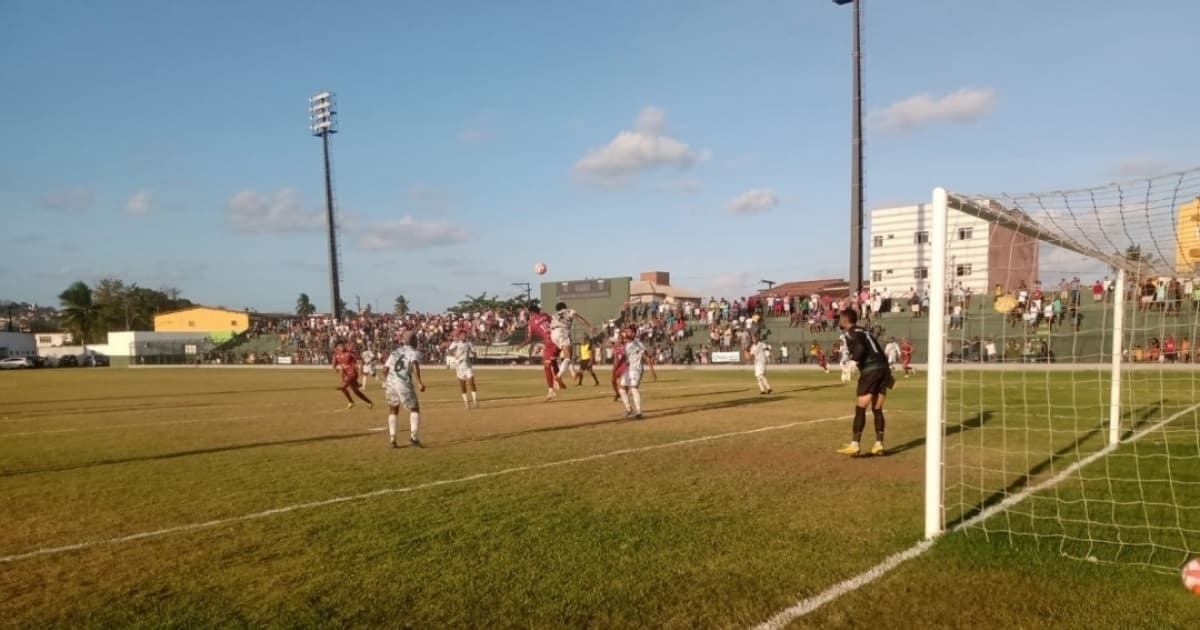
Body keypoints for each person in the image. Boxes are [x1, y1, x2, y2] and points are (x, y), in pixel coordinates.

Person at [836, 309, 894, 456]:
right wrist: (888, 373)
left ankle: (855, 444)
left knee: (861, 408)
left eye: (840, 318)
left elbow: (860, 349)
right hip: (883, 369)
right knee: (877, 408)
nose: (839, 321)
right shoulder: (866, 332)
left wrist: (851, 365)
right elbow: (879, 350)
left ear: (845, 320)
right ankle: (879, 444)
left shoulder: (850, 333)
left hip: (871, 370)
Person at [381, 332, 426, 449]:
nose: (417, 341)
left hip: (391, 383)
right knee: (414, 409)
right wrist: (419, 382)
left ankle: (392, 440)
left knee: (393, 410)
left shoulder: (395, 352)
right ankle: (414, 438)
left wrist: (388, 381)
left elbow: (384, 370)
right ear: (412, 340)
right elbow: (415, 365)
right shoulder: (414, 352)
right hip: (403, 383)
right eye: (416, 339)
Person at [527, 305, 567, 401]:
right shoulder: (545, 315)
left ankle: (551, 391)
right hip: (558, 338)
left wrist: (522, 344)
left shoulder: (531, 323)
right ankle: (558, 379)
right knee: (552, 360)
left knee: (546, 366)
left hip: (550, 343)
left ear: (531, 313)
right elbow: (554, 322)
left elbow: (530, 338)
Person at [550, 302, 596, 383]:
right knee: (568, 357)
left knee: (567, 356)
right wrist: (589, 326)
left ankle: (573, 373)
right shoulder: (569, 311)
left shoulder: (554, 315)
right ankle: (559, 375)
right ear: (565, 307)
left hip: (553, 334)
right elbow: (580, 319)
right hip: (562, 332)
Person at [618, 327, 656, 419]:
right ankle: (629, 409)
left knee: (633, 388)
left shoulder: (638, 343)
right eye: (627, 332)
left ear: (634, 334)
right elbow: (626, 358)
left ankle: (639, 412)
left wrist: (652, 370)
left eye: (629, 332)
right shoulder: (627, 345)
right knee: (622, 388)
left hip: (637, 369)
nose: (627, 333)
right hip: (629, 369)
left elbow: (647, 357)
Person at [333, 342, 374, 410]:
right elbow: (334, 364)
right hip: (345, 374)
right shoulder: (336, 355)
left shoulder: (349, 354)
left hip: (352, 373)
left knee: (342, 387)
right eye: (340, 346)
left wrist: (361, 368)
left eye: (342, 345)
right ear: (337, 348)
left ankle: (351, 402)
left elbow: (360, 359)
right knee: (356, 392)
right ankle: (369, 402)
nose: (342, 347)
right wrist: (335, 368)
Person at [447, 330, 479, 409]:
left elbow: (473, 351)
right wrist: (454, 353)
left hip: (468, 366)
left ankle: (475, 400)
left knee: (471, 382)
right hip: (459, 366)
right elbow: (449, 350)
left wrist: (475, 354)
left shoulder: (469, 343)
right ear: (460, 336)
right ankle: (466, 402)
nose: (464, 336)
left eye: (465, 334)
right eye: (462, 335)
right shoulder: (456, 343)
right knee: (463, 385)